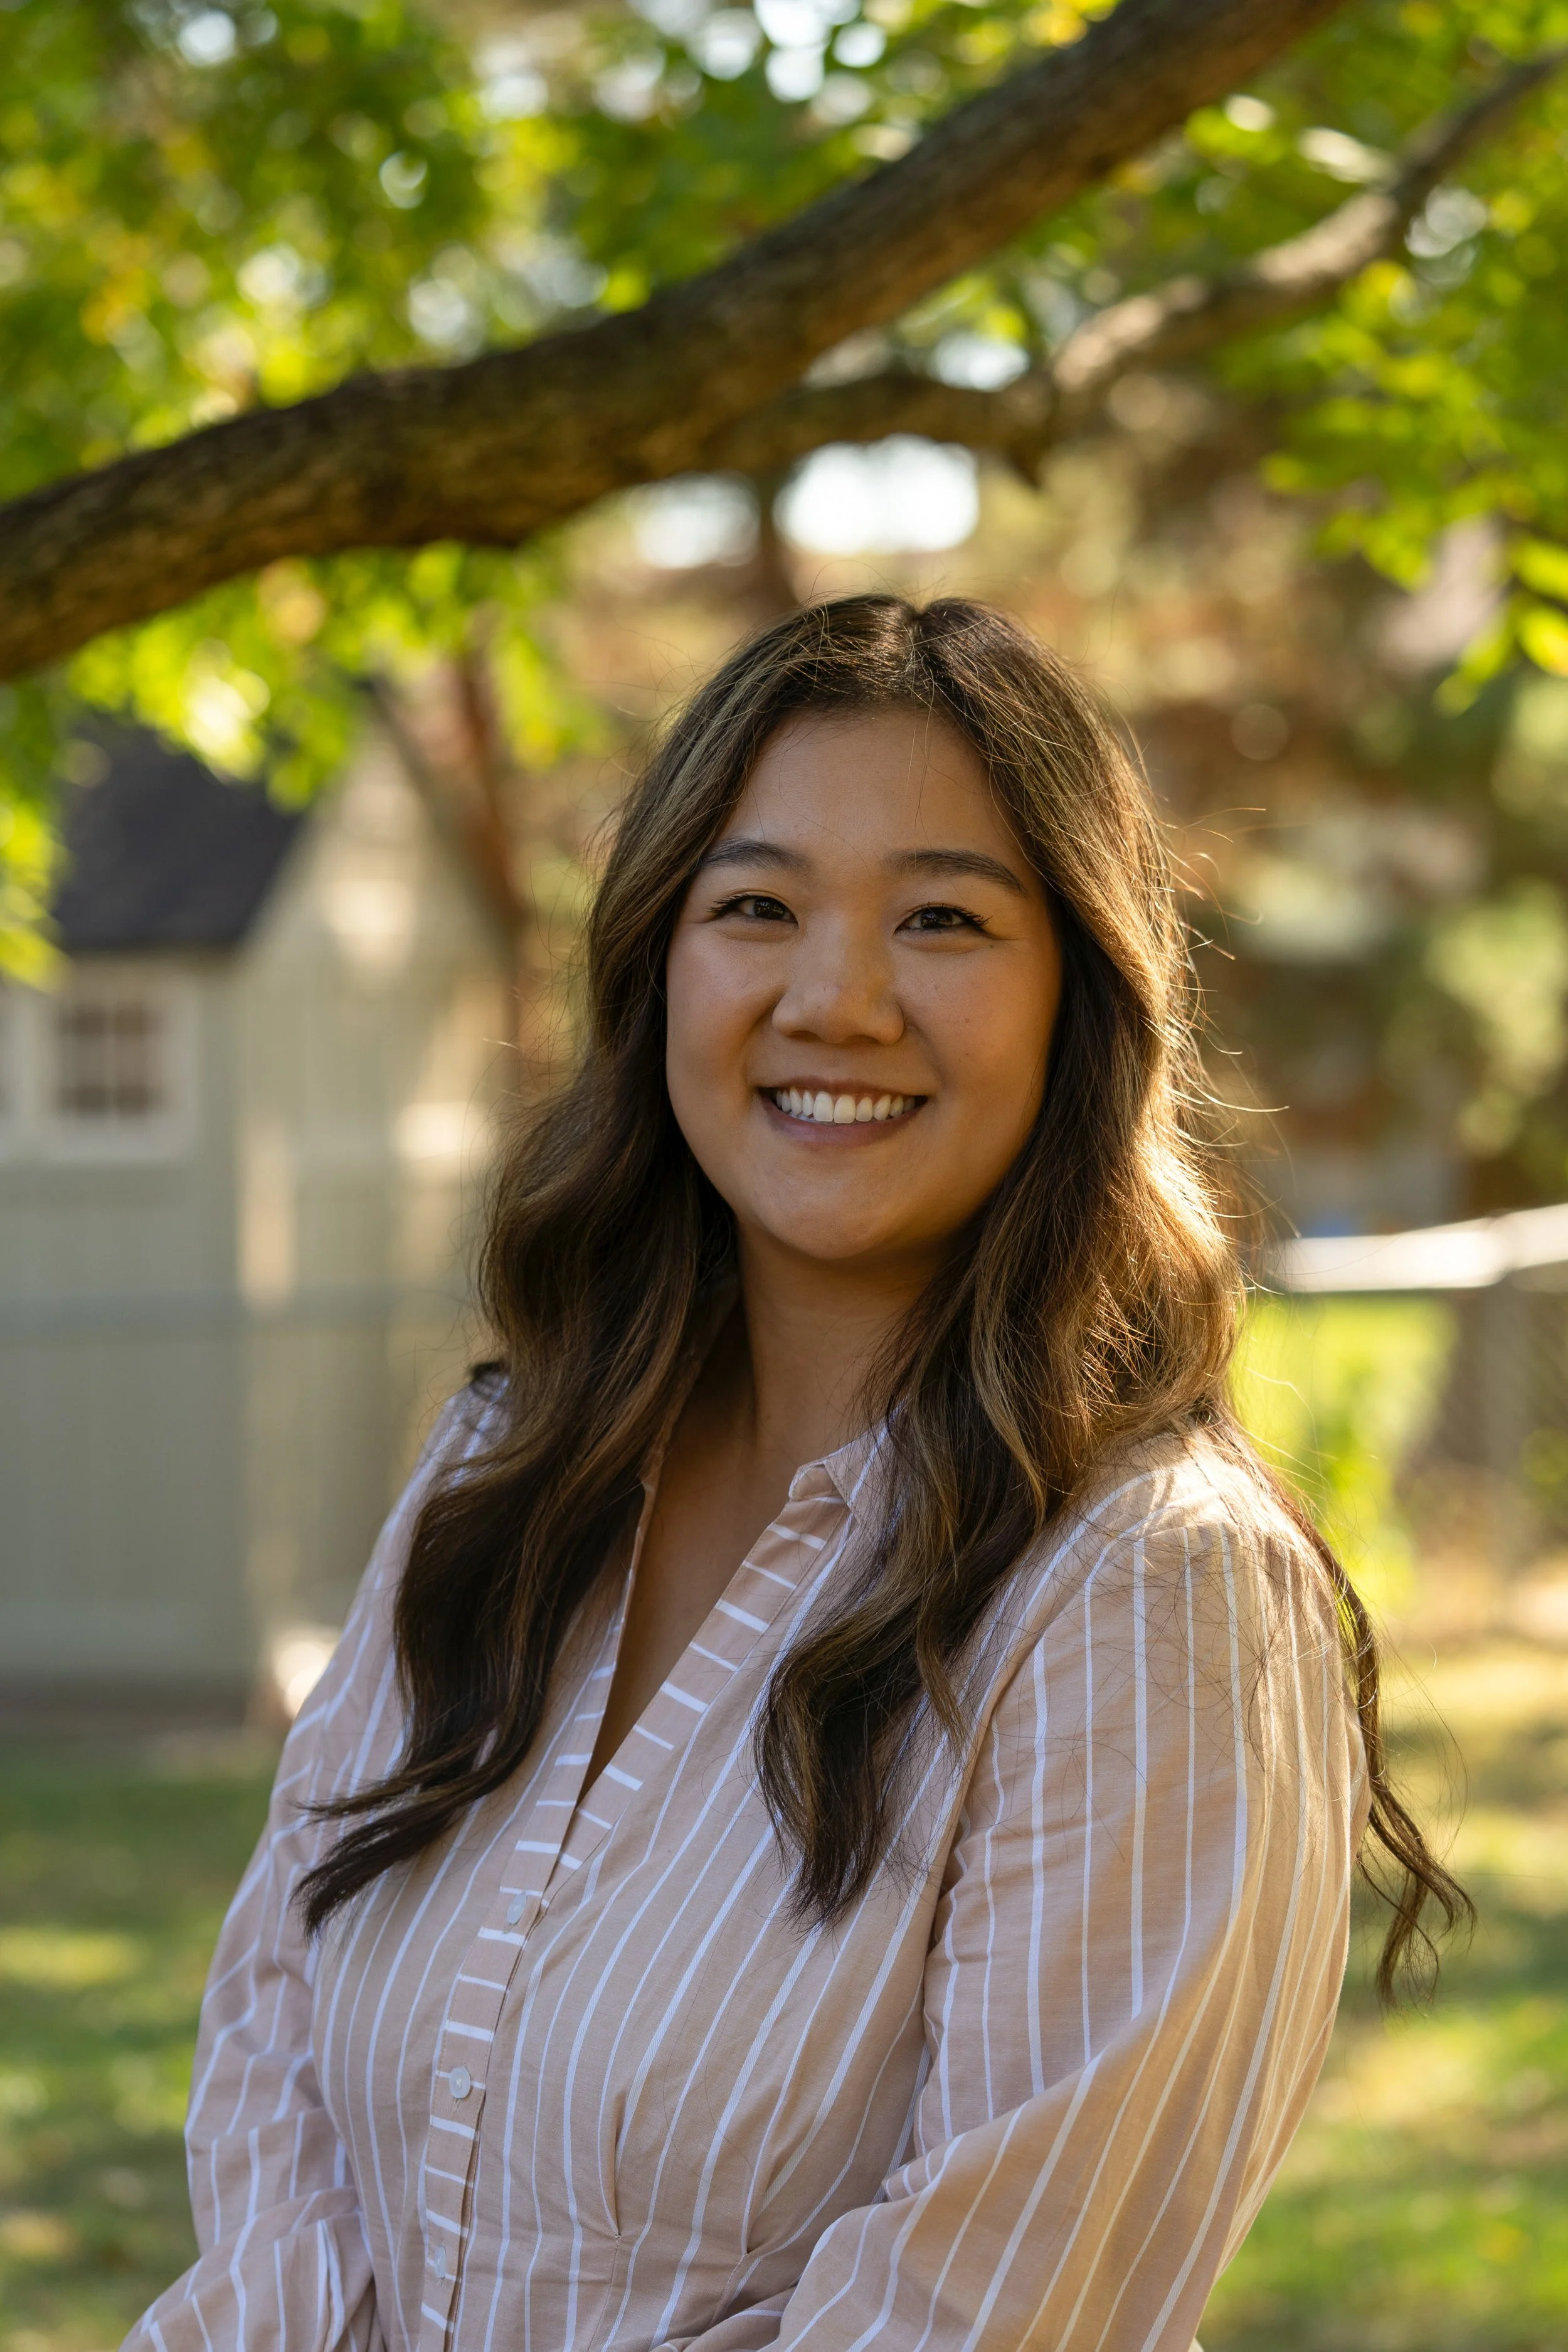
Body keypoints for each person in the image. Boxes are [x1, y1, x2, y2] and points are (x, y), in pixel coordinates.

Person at [125, 595, 1464, 2352]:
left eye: (940, 918)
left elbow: (989, 2310)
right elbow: (274, 2054)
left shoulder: (1149, 1590)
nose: (835, 999)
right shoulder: (504, 1476)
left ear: (1078, 996)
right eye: (754, 905)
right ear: (656, 967)